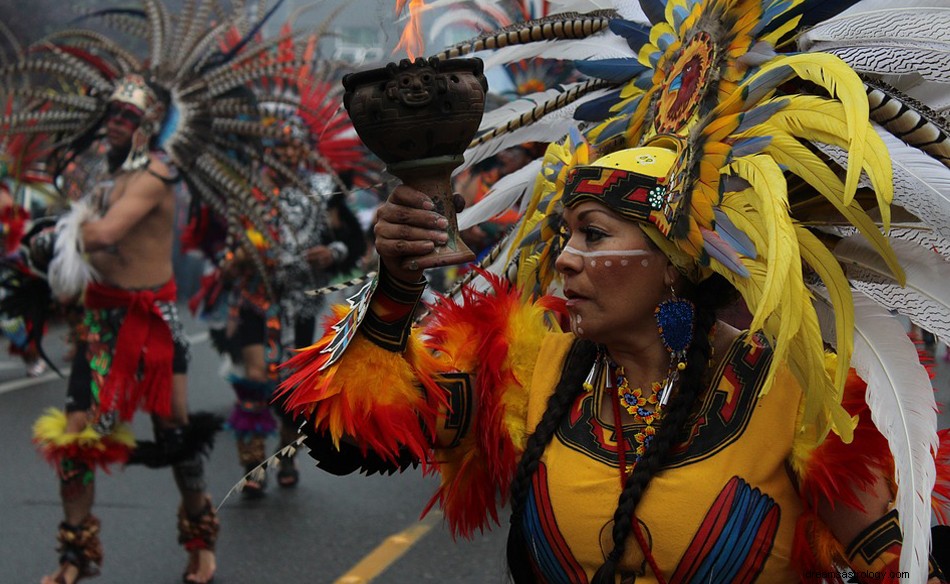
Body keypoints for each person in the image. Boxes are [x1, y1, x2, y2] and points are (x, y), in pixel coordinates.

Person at [278, 139, 948, 583]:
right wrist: (396, 287)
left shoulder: (797, 398)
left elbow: (899, 569)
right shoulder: (526, 365)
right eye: (568, 233)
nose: (565, 257)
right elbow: (347, 433)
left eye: (594, 235)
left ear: (674, 267)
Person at [30, 76, 217, 584]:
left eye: (127, 116)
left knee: (173, 434)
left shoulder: (155, 175)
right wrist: (51, 257)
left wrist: (55, 233)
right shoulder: (103, 180)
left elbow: (107, 233)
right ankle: (75, 556)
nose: (115, 121)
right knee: (75, 439)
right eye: (111, 112)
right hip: (98, 324)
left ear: (147, 127)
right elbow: (90, 249)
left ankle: (201, 545)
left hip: (154, 322)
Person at [220, 119, 366, 495]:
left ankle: (285, 455)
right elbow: (224, 245)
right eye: (277, 148)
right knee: (253, 378)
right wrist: (233, 261)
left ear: (304, 151)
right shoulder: (246, 192)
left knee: (290, 387)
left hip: (300, 303)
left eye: (292, 147)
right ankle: (252, 466)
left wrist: (331, 253)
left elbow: (351, 239)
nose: (285, 155)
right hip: (254, 300)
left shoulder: (322, 190)